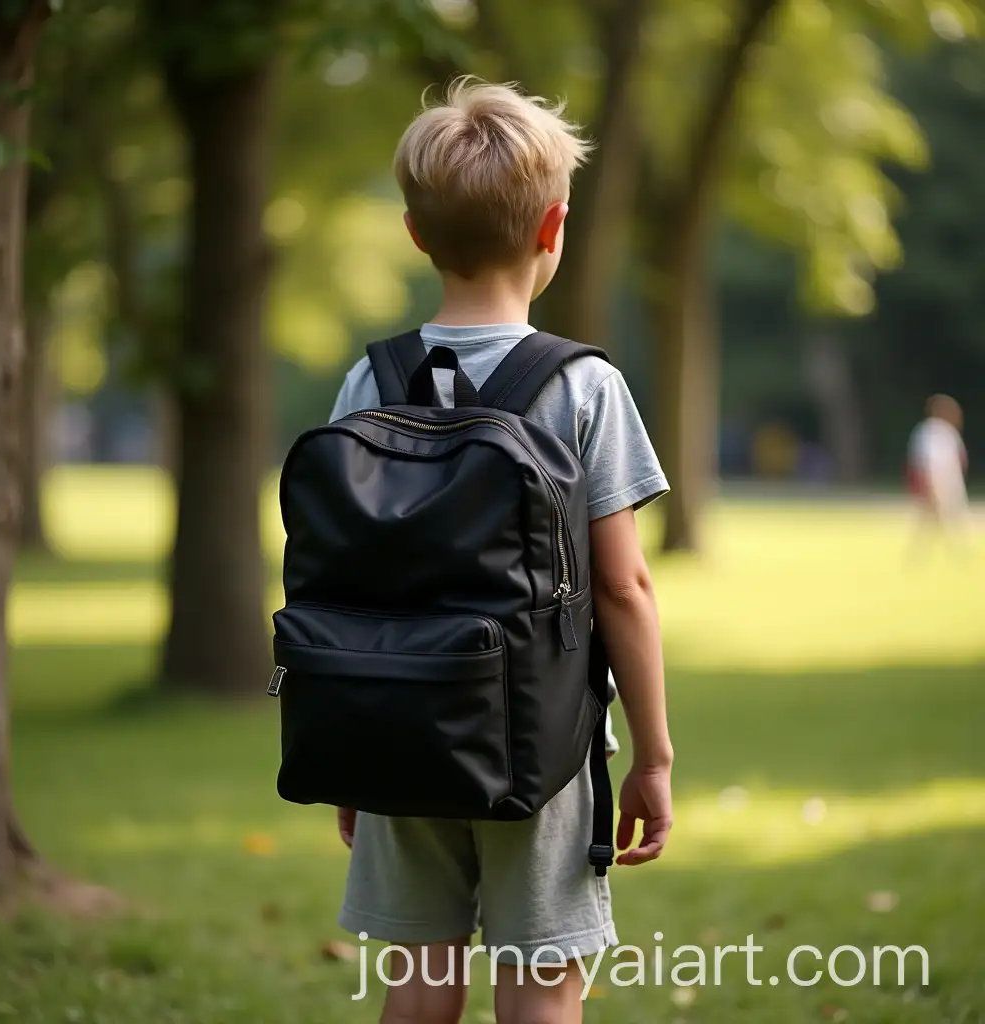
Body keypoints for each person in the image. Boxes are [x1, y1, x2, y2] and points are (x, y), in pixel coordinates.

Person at [327, 78, 673, 1024]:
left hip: (399, 721)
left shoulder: (371, 378)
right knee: (543, 990)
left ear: (414, 232)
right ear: (553, 225)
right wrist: (654, 756)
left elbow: (346, 576)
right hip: (543, 743)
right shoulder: (584, 388)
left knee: (418, 986)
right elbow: (624, 587)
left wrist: (356, 750)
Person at [907, 394, 971, 554]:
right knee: (936, 518)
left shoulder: (949, 432)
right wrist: (928, 485)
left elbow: (959, 458)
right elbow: (922, 461)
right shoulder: (928, 432)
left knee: (943, 518)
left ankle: (952, 549)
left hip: (950, 482)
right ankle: (953, 550)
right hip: (936, 482)